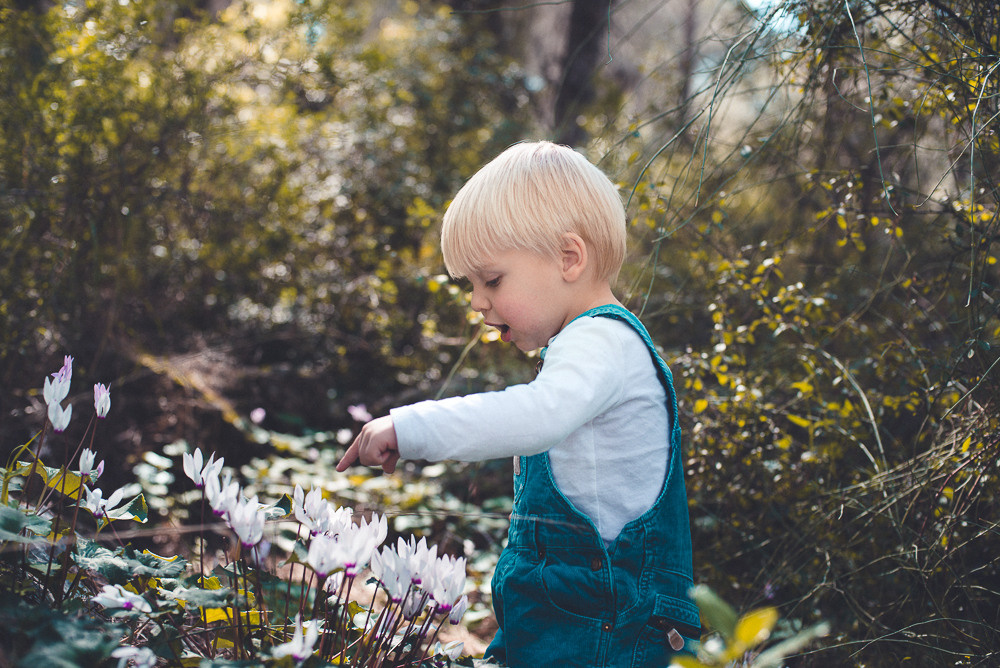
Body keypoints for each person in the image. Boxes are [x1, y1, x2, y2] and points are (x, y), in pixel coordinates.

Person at [336, 141, 700, 667]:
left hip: (604, 629)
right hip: (562, 617)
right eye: (472, 284)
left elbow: (536, 417)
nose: (477, 300)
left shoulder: (602, 341)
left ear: (568, 258)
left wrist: (411, 427)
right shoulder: (588, 346)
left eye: (493, 280)